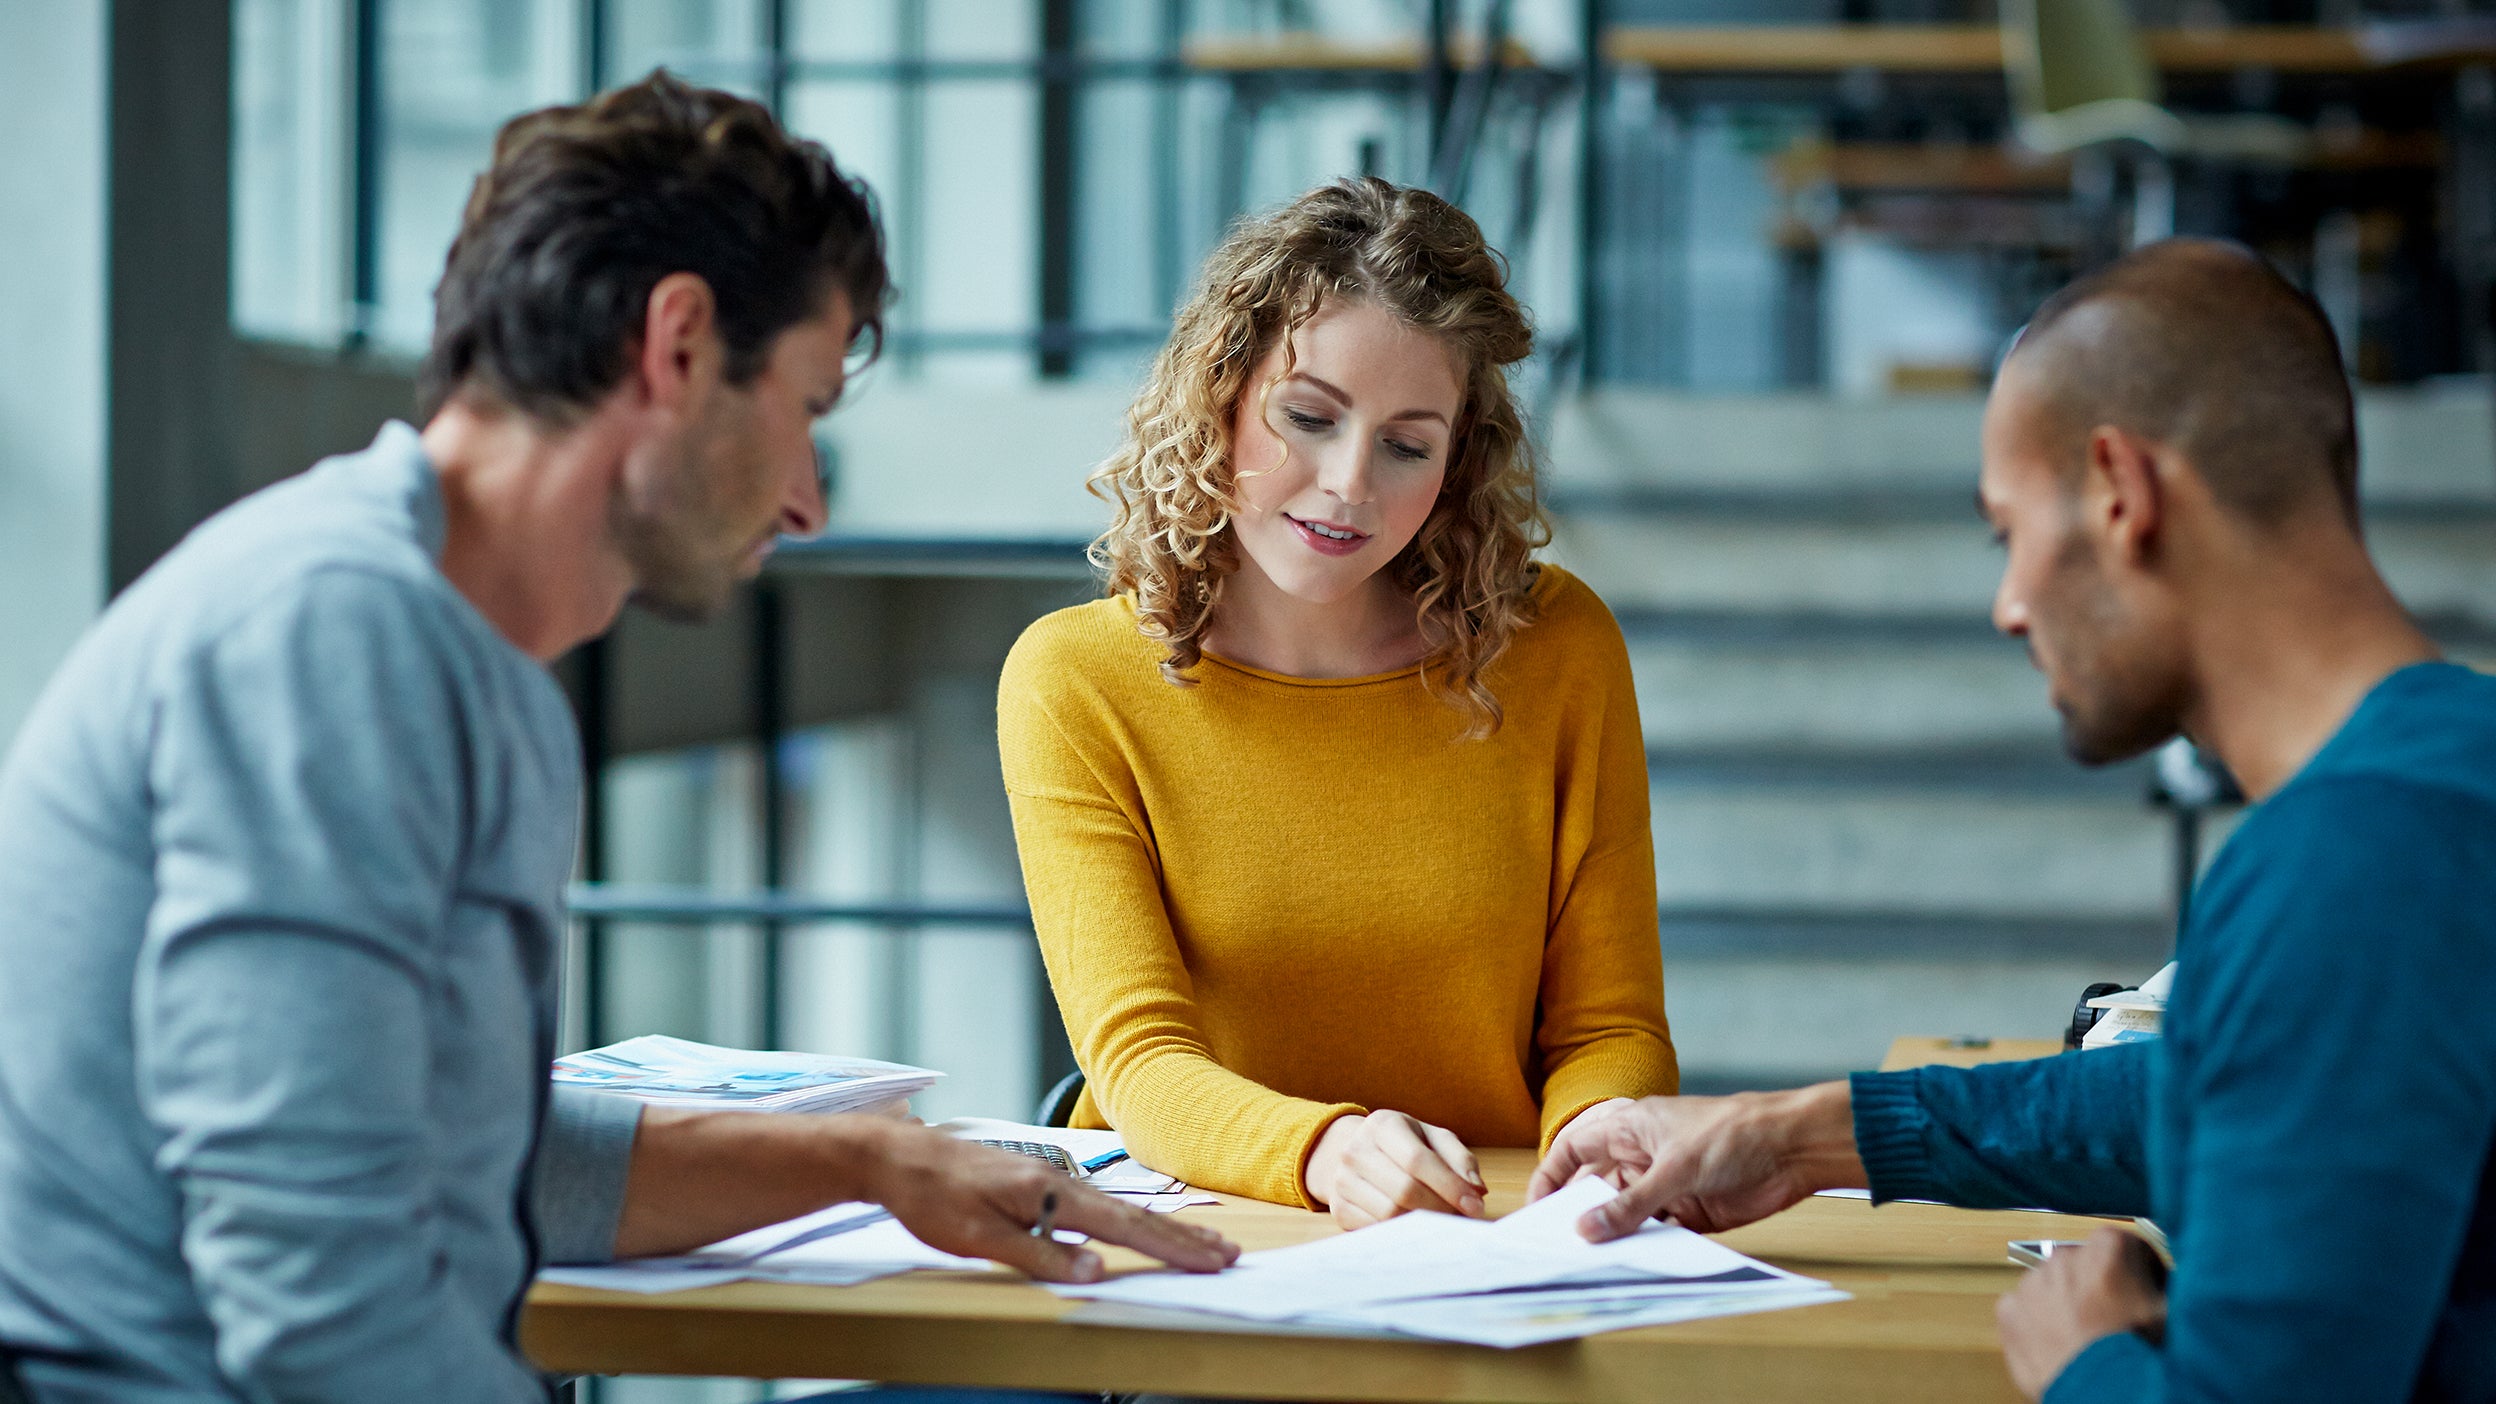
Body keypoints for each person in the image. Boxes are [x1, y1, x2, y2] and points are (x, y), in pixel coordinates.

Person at [0, 73, 1231, 1404]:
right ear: (680, 344)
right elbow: (323, 1311)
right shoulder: (333, 636)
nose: (810, 502)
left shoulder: (464, 665)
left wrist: (872, 1162)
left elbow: (464, 1153)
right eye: (809, 410)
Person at [1528, 239, 2496, 1402]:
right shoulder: (2449, 762)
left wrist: (2082, 1362)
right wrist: (1803, 1133)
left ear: (2120, 494)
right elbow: (2231, 1084)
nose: (2009, 606)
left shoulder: (2347, 868)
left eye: (2010, 534)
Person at [997, 177, 1678, 1230]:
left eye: (1408, 444)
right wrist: (1326, 1151)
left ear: (1457, 463)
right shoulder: (1075, 681)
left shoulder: (1558, 650)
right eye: (1309, 418)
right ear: (1216, 398)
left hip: (1495, 1238)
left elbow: (1610, 1028)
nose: (1351, 482)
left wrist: (1592, 1158)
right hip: (1196, 1246)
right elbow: (1139, 1060)